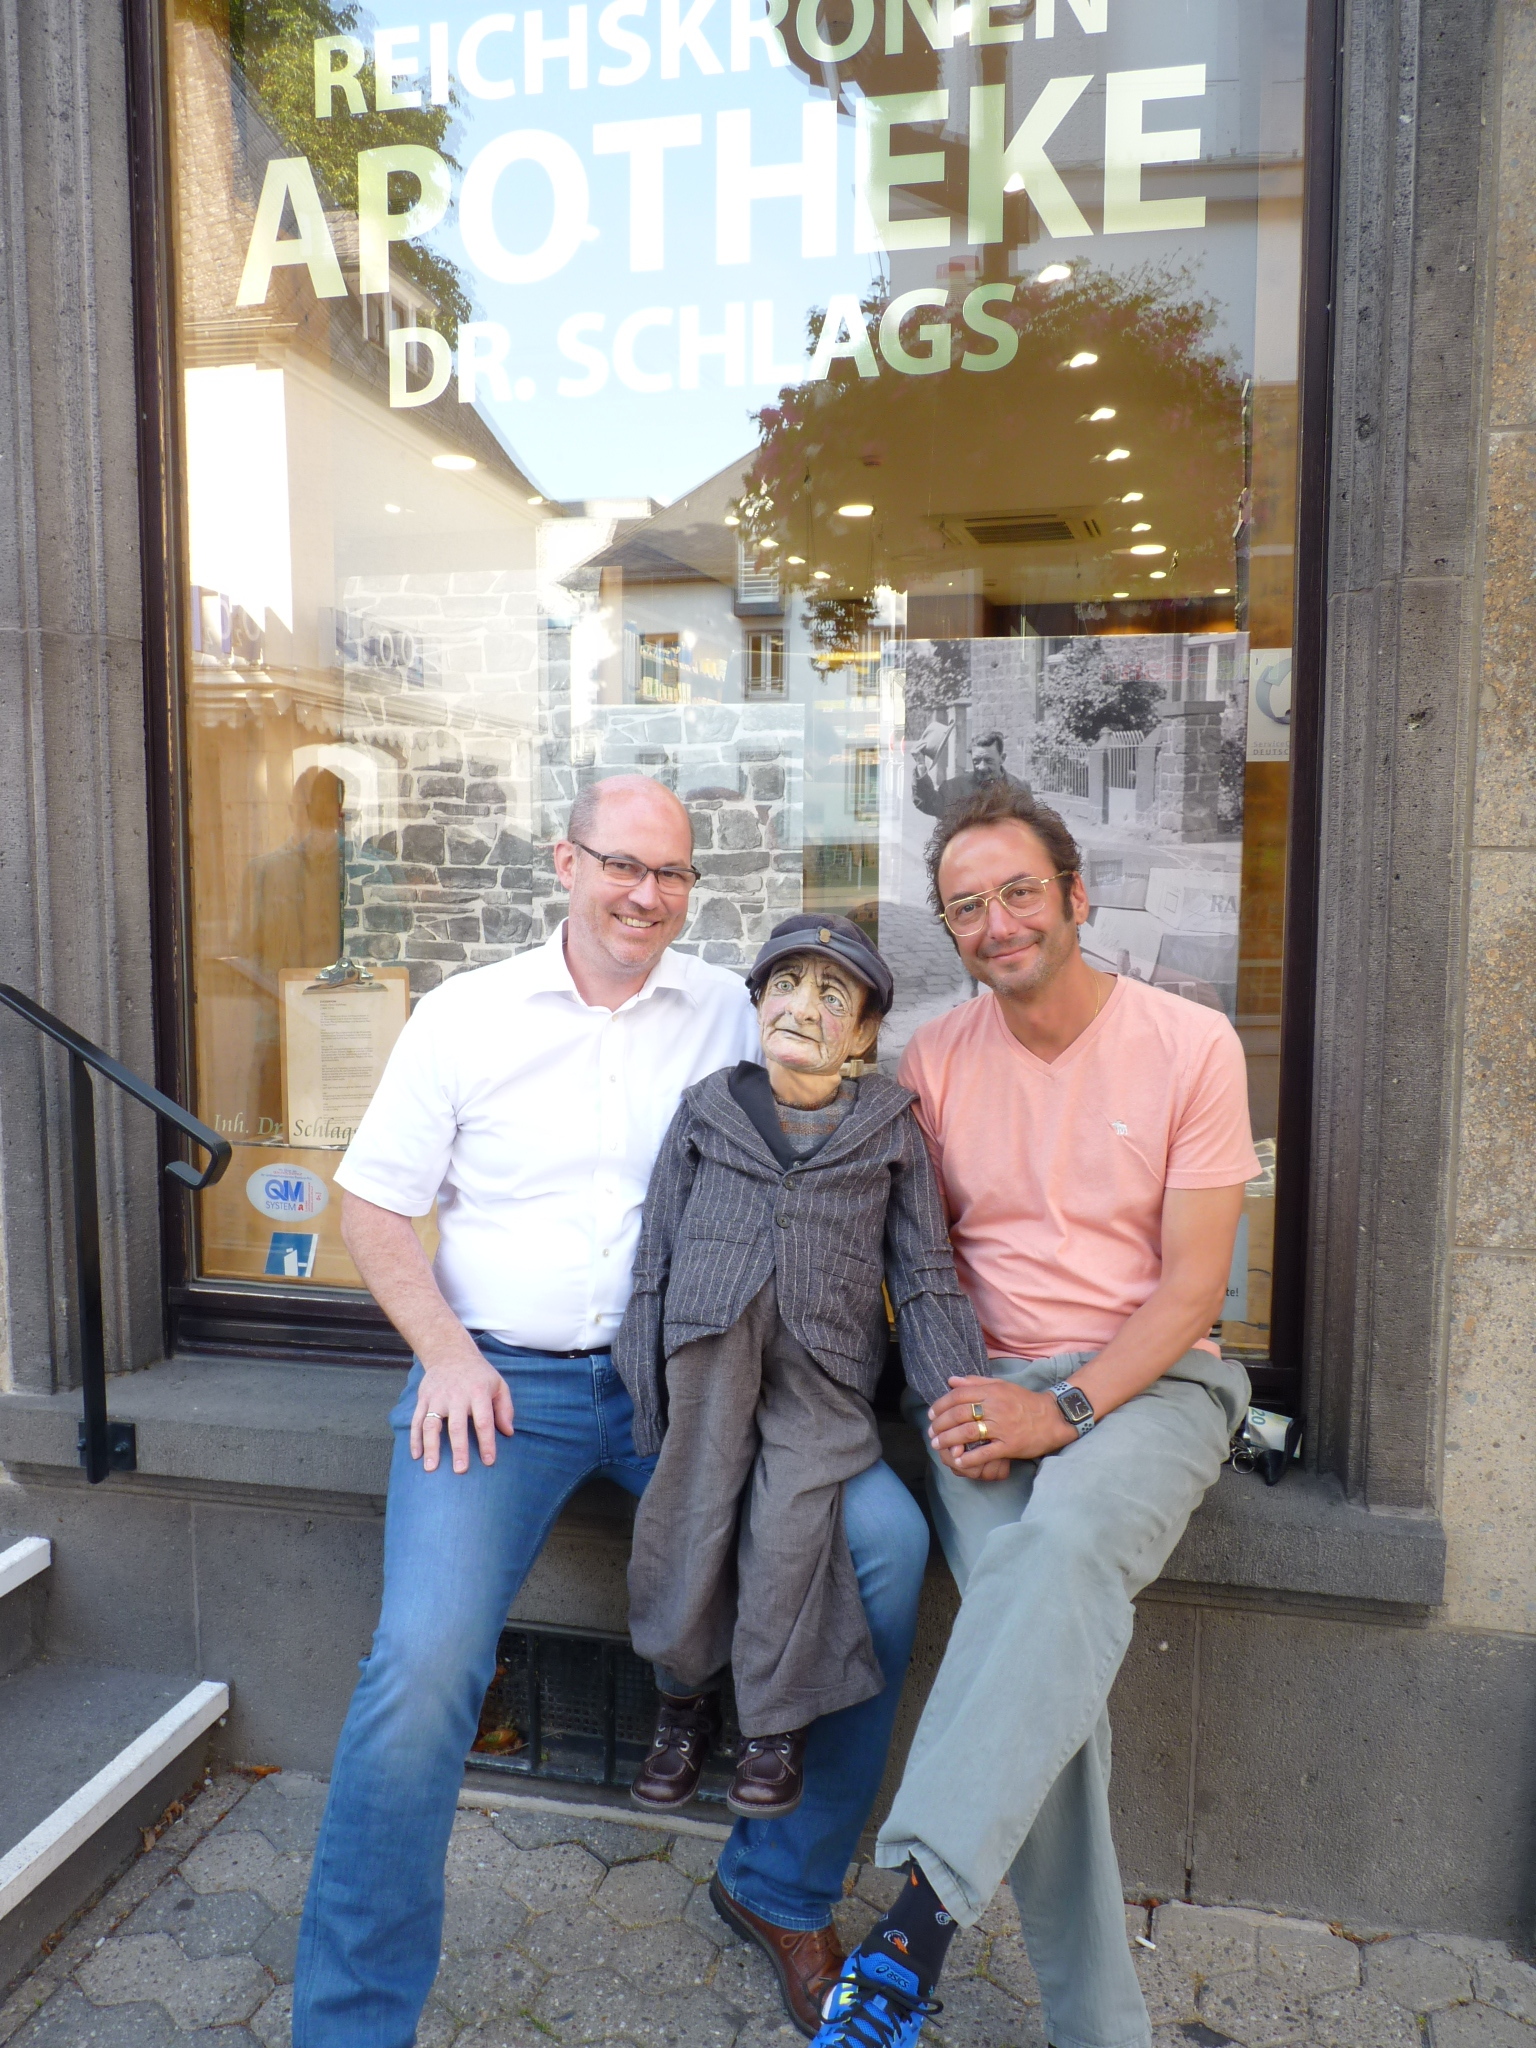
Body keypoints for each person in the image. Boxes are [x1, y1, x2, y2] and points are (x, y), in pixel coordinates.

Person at [291, 776, 932, 2047]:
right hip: (501, 1384)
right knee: (420, 1668)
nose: (647, 895)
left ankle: (780, 1885)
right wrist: (447, 1353)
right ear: (565, 861)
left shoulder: (731, 1011)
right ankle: (352, 2023)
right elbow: (372, 1207)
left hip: (696, 1383)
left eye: (673, 875)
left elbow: (845, 1117)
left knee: (887, 1543)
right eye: (622, 865)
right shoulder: (466, 1014)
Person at [811, 779, 1257, 2048]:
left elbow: (1187, 1290)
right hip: (984, 1382)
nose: (996, 920)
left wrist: (1061, 1408)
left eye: (1018, 891)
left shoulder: (1190, 1043)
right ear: (949, 932)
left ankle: (910, 1929)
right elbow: (921, 1262)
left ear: (1075, 896)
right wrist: (964, 1393)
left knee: (1052, 1561)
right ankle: (1104, 2032)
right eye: (966, 905)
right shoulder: (937, 1059)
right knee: (1044, 1658)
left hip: (1154, 1380)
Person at [619, 915, 985, 1822]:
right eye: (785, 985)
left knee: (793, 1523)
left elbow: (926, 1273)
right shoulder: (706, 1108)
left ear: (863, 1034)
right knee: (691, 1508)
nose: (802, 1007)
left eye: (833, 995)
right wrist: (643, 1376)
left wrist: (956, 1400)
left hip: (825, 1369)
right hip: (706, 1346)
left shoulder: (891, 1127)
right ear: (756, 1003)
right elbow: (655, 1251)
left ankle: (774, 1724)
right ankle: (681, 1698)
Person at [911, 727, 1032, 820]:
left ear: (1002, 758)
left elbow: (1030, 823)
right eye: (976, 761)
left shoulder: (1020, 786)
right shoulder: (955, 788)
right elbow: (930, 804)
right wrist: (921, 765)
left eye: (988, 761)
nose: (982, 767)